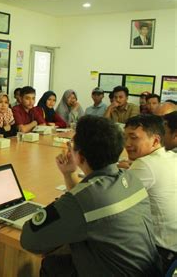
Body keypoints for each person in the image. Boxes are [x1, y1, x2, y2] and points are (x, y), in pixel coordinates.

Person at [21, 115, 161, 276]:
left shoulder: (81, 200)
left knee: (52, 263)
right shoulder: (130, 178)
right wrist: (69, 174)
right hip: (149, 270)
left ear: (79, 156)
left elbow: (29, 239)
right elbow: (88, 202)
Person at [124, 115, 177, 271]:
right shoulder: (172, 156)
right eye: (125, 137)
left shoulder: (144, 164)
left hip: (160, 252)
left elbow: (110, 202)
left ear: (155, 140)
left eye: (133, 138)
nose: (127, 144)